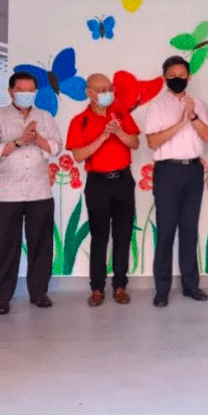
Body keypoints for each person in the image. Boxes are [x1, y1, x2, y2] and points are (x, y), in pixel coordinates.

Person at [0, 71, 62, 315]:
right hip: (8, 193)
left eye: (30, 91)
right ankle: (1, 297)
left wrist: (36, 139)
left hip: (40, 191)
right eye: (21, 90)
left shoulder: (45, 117)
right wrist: (18, 141)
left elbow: (56, 147)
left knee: (41, 245)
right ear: (11, 92)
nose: (26, 95)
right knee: (5, 247)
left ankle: (39, 293)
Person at [144, 56, 208, 307]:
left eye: (182, 75)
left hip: (193, 171)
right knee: (165, 230)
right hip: (167, 172)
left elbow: (207, 136)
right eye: (172, 76)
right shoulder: (156, 107)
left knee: (189, 230)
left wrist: (192, 116)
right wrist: (180, 123)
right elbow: (153, 142)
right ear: (165, 77)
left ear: (189, 77)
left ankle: (191, 286)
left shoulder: (200, 104)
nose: (177, 79)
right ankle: (162, 289)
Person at [66, 73, 140, 307]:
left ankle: (120, 286)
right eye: (101, 90)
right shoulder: (80, 121)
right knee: (99, 236)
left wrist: (118, 132)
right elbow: (78, 155)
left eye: (109, 88)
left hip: (123, 180)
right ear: (89, 93)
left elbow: (135, 143)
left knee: (123, 235)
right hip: (98, 183)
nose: (107, 93)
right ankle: (97, 288)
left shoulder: (121, 113)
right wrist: (104, 136)